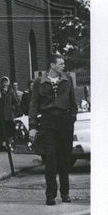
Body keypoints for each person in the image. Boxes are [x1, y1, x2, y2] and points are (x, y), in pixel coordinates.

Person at [28, 53, 78, 205]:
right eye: (61, 63)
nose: (63, 66)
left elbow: (73, 103)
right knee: (50, 160)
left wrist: (71, 119)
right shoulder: (39, 82)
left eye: (63, 64)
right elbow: (34, 105)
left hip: (64, 123)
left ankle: (65, 193)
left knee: (65, 159)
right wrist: (33, 127)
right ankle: (50, 196)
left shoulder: (67, 79)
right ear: (52, 65)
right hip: (47, 123)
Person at [0, 76, 21, 150]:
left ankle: (10, 144)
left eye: (6, 82)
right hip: (2, 114)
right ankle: (5, 144)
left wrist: (12, 108)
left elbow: (16, 103)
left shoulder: (11, 91)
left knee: (11, 129)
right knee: (4, 130)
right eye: (3, 82)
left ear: (8, 83)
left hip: (10, 114)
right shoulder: (0, 92)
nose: (5, 83)